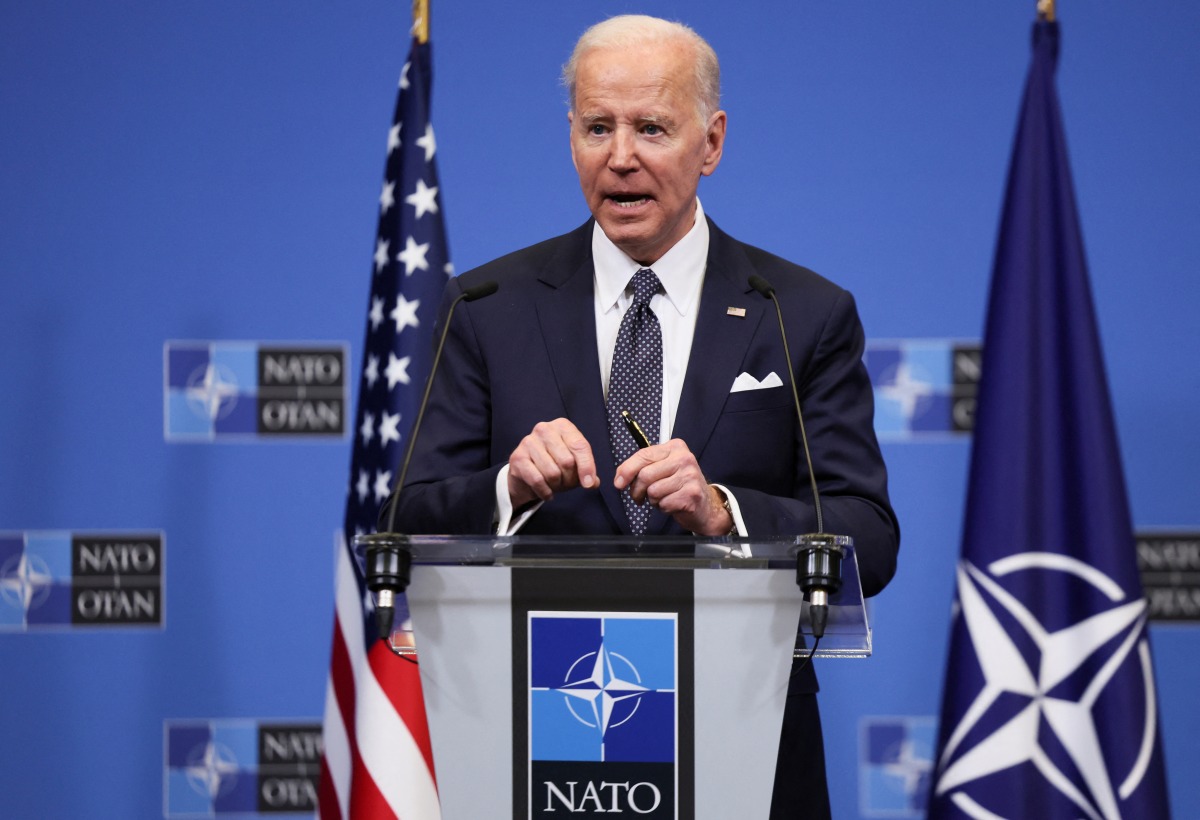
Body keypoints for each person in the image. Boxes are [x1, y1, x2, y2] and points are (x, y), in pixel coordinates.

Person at [390, 14, 899, 819]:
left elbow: (867, 537)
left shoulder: (800, 313)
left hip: (746, 743)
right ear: (571, 137)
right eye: (598, 127)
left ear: (712, 142)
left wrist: (722, 512)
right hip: (540, 746)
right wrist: (509, 490)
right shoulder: (487, 307)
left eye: (651, 127)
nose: (619, 155)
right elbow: (406, 519)